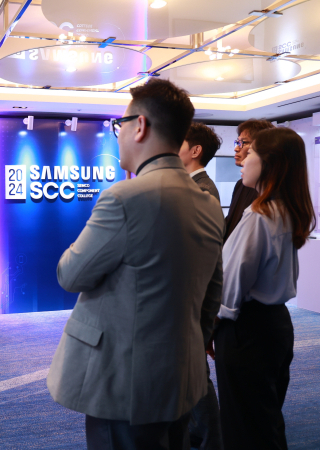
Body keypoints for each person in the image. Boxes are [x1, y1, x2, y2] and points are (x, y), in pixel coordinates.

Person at [47, 78, 224, 450]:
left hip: (123, 382)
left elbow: (70, 274)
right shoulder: (208, 203)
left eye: (120, 125)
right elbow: (212, 291)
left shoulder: (124, 198)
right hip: (183, 375)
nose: (118, 135)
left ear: (139, 126)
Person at [214, 127, 316, 450]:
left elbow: (230, 286)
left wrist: (210, 326)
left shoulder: (260, 215)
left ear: (270, 163)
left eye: (251, 152)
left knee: (244, 428)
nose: (242, 158)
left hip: (246, 332)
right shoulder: (283, 209)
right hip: (273, 326)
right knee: (264, 422)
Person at [178, 122, 224, 450]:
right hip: (192, 294)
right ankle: (199, 433)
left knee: (196, 374)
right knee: (191, 373)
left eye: (179, 142)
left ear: (195, 151)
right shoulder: (191, 186)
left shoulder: (203, 190)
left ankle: (211, 439)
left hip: (196, 295)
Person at [224, 119, 274, 242]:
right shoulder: (241, 184)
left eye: (243, 143)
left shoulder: (269, 191)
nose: (236, 148)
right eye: (237, 142)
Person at [179, 122, 221, 202]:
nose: (173, 149)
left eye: (179, 144)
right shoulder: (195, 184)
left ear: (196, 151)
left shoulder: (201, 189)